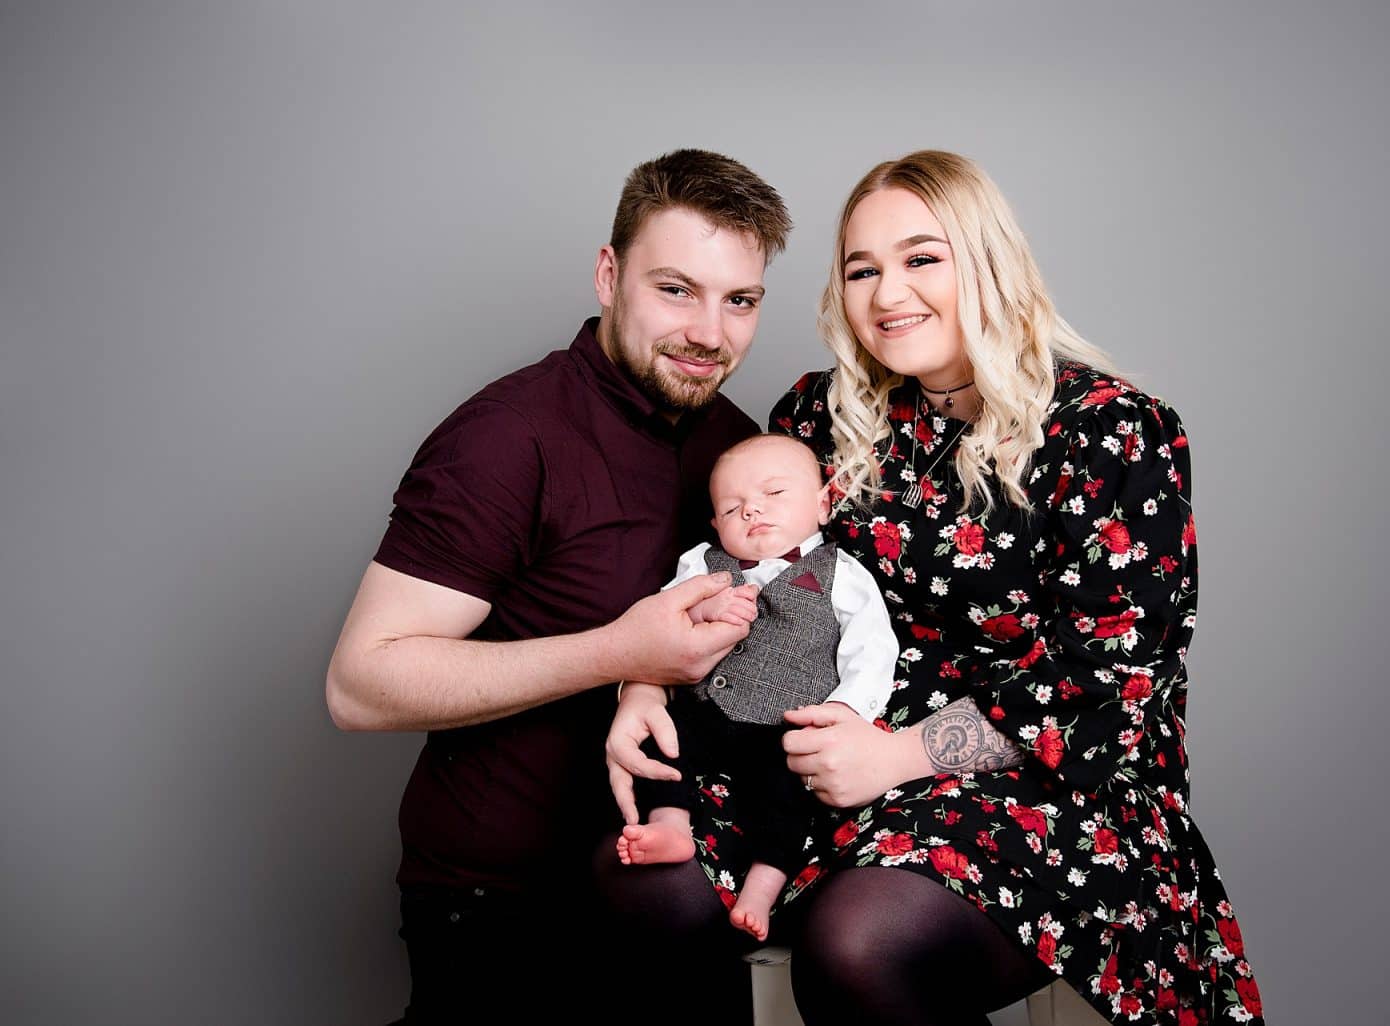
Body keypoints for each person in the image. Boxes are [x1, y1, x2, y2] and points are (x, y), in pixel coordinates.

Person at [606, 151, 1264, 1025]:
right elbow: (738, 577)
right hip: (824, 769)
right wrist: (642, 678)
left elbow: (1115, 686)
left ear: (986, 261)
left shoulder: (1110, 430)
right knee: (646, 885)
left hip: (1052, 787)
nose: (887, 295)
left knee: (860, 940)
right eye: (861, 269)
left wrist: (898, 755)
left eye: (922, 258)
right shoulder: (816, 421)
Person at [325, 148, 791, 1024]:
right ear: (608, 274)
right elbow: (360, 684)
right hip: (505, 904)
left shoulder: (735, 444)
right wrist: (621, 651)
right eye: (676, 289)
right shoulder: (507, 437)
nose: (709, 332)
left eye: (740, 301)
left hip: (677, 891)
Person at [615, 433, 898, 942]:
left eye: (774, 495)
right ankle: (671, 827)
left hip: (785, 724)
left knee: (790, 798)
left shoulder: (840, 572)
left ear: (823, 503)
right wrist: (702, 609)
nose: (752, 512)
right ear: (715, 524)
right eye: (733, 507)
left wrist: (847, 711)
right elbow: (663, 618)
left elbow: (872, 646)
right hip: (707, 709)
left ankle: (762, 891)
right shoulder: (702, 563)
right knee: (663, 742)